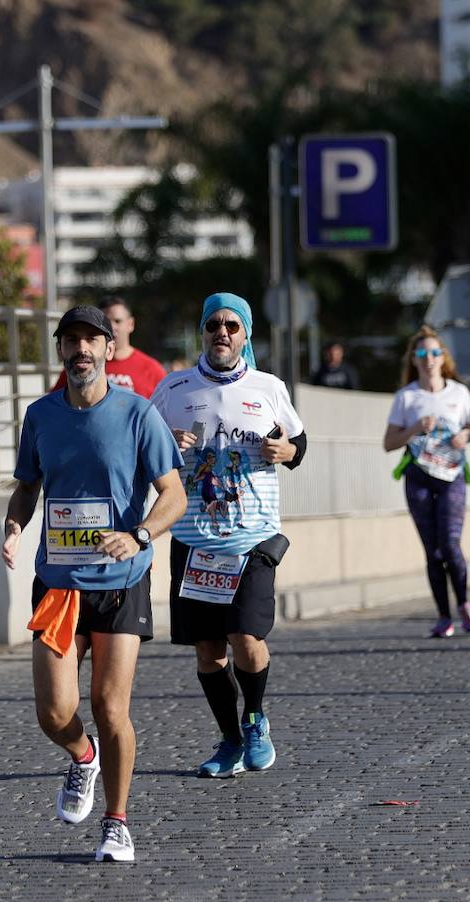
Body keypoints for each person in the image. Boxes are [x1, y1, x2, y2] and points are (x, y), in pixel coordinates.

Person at [2, 304, 186, 863]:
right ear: (60, 350)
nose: (81, 350)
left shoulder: (138, 415)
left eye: (92, 340)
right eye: (71, 341)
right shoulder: (41, 415)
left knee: (110, 708)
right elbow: (26, 486)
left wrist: (140, 535)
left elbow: (173, 494)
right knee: (54, 713)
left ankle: (117, 822)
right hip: (58, 583)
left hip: (121, 580)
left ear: (110, 348)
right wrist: (13, 526)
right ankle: (83, 758)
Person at [149, 292, 307, 779]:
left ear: (245, 335)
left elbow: (298, 443)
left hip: (254, 538)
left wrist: (287, 450)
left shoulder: (268, 387)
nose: (223, 333)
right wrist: (166, 445)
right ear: (202, 330)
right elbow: (145, 451)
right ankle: (230, 739)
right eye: (214, 324)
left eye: (232, 326)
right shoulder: (173, 389)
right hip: (195, 541)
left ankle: (256, 718)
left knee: (246, 638)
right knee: (209, 651)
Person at [382, 325, 470, 638]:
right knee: (433, 551)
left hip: (452, 476)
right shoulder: (407, 397)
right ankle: (443, 616)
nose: (429, 359)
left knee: (451, 544)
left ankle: (464, 603)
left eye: (435, 353)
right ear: (414, 359)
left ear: (443, 358)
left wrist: (466, 435)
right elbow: (388, 442)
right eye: (423, 353)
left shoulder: (459, 393)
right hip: (419, 477)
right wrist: (414, 428)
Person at [50, 296, 167, 398]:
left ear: (131, 324)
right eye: (106, 322)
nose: (111, 327)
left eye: (117, 321)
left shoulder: (153, 370)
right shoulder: (81, 367)